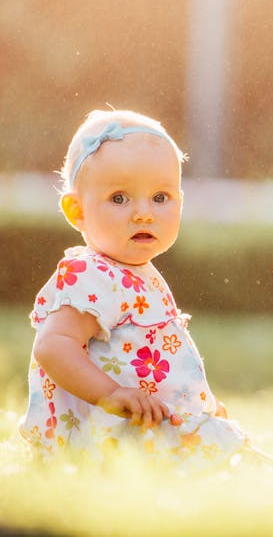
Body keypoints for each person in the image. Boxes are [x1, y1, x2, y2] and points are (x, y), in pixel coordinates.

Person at [19, 109, 254, 465]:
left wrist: (197, 400)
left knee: (228, 450)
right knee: (229, 456)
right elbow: (53, 346)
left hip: (146, 424)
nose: (144, 213)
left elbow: (153, 359)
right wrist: (111, 394)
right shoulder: (91, 274)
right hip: (114, 434)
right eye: (119, 198)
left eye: (160, 198)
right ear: (76, 210)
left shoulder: (133, 272)